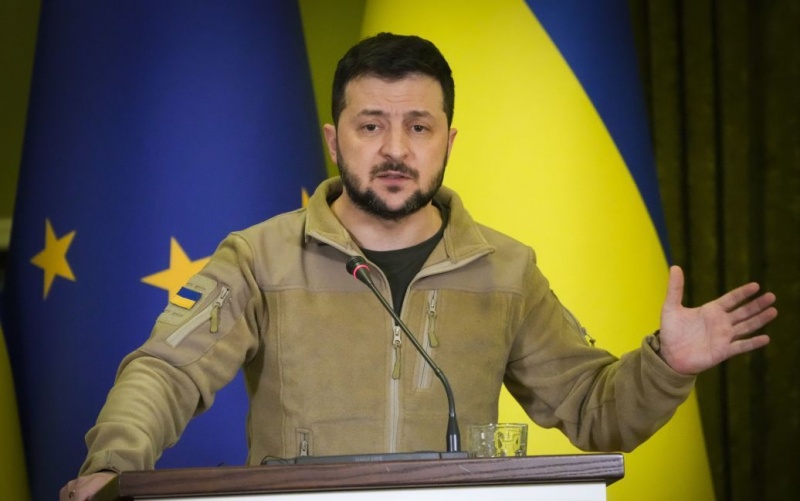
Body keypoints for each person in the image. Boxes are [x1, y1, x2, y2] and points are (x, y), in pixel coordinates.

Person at [60, 33, 777, 500]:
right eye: (371, 125)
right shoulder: (259, 256)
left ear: (448, 142)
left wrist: (667, 364)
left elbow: (596, 413)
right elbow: (167, 371)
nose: (395, 149)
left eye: (419, 127)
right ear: (334, 140)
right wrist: (112, 463)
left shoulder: (507, 270)